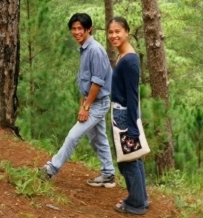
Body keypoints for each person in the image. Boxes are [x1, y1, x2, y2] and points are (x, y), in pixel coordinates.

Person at [39, 13, 116, 188]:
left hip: (98, 103)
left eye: (80, 28)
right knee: (98, 139)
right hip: (92, 102)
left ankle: (51, 169)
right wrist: (83, 104)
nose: (76, 32)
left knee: (73, 136)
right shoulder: (84, 49)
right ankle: (108, 174)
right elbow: (85, 81)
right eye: (73, 28)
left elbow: (97, 82)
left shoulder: (95, 50)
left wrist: (86, 106)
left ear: (89, 29)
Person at [108, 16, 149, 215]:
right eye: (110, 32)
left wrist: (132, 126)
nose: (114, 35)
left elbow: (133, 96)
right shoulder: (123, 56)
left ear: (127, 32)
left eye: (118, 31)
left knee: (128, 161)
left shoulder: (130, 60)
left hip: (125, 115)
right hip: (123, 112)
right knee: (134, 157)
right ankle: (142, 198)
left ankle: (135, 204)